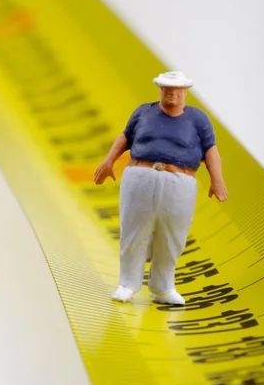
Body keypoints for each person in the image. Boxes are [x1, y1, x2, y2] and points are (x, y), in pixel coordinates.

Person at [94, 70, 227, 304]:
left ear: (185, 92)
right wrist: (108, 161)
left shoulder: (198, 119)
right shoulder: (144, 111)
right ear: (160, 89)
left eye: (176, 91)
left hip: (180, 182)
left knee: (173, 235)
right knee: (133, 232)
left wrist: (217, 179)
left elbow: (211, 151)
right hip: (140, 176)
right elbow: (125, 137)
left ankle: (163, 286)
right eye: (166, 90)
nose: (171, 95)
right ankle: (127, 283)